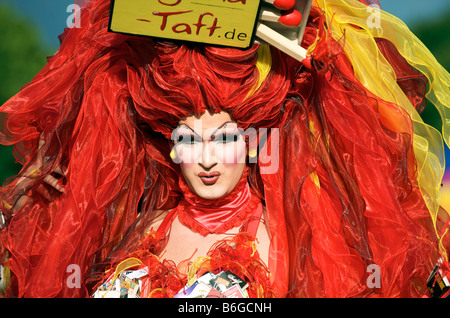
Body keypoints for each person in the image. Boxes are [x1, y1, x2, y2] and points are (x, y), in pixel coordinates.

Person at [0, 0, 449, 298]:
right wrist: (19, 210)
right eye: (189, 140)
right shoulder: (129, 231)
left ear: (253, 143)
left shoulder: (296, 240)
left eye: (225, 139)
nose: (208, 158)